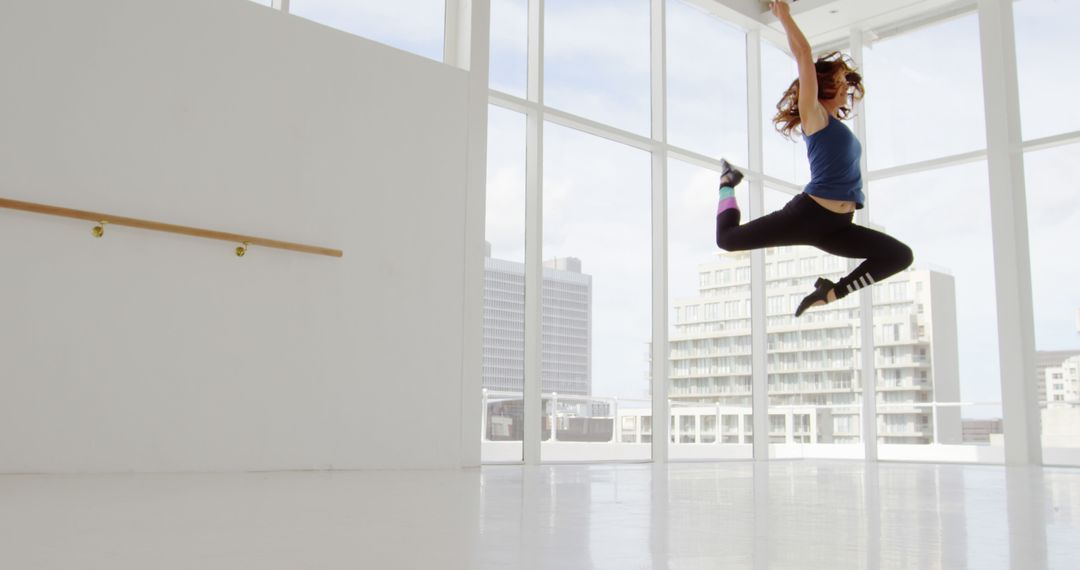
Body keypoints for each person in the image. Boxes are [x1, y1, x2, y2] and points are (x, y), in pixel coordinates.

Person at [715, 0, 913, 317]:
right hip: (808, 215)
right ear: (824, 84)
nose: (846, 82)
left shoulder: (837, 125)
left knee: (899, 256)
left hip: (838, 226)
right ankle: (727, 184)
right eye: (840, 77)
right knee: (728, 240)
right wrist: (784, 16)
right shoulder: (815, 117)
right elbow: (804, 57)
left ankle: (830, 293)